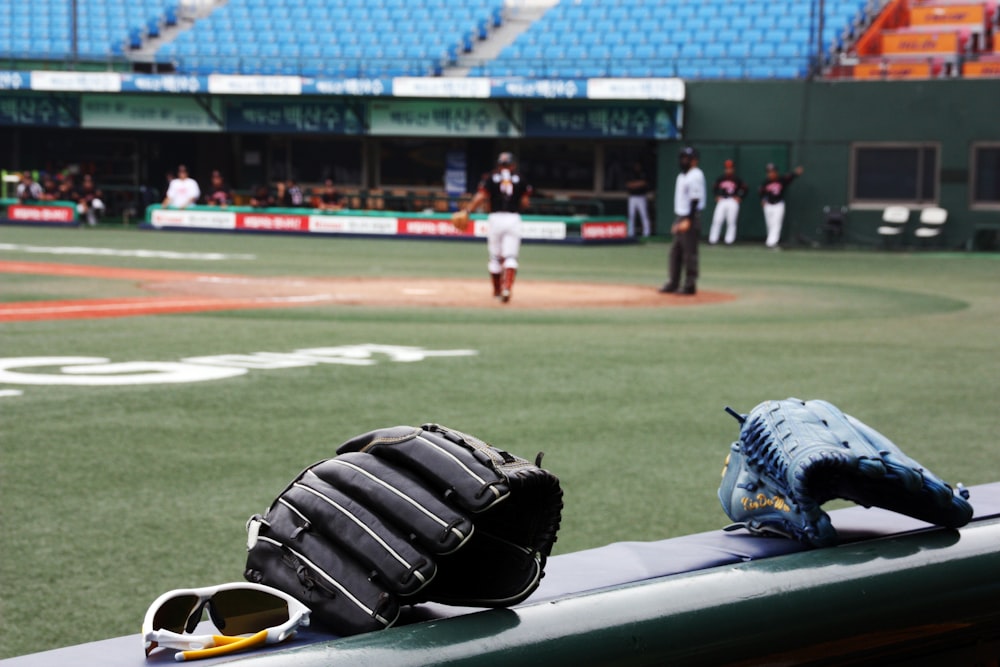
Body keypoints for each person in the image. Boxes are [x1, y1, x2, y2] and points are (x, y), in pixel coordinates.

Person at [456, 151, 532, 304]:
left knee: (495, 258)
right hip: (513, 218)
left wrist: (468, 210)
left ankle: (497, 291)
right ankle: (507, 288)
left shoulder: (490, 178)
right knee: (510, 257)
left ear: (499, 164)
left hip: (495, 218)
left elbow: (481, 196)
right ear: (513, 165)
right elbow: (525, 203)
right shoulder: (521, 179)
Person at [659, 146, 705, 296]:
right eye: (682, 158)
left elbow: (695, 200)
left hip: (691, 217)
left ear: (694, 161)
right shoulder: (682, 176)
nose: (683, 161)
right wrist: (678, 220)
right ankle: (673, 282)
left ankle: (690, 285)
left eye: (687, 158)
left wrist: (688, 220)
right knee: (675, 252)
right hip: (681, 216)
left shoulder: (695, 175)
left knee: (689, 253)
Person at [760, 163, 805, 249]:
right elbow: (761, 193)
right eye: (769, 172)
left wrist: (795, 173)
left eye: (772, 171)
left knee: (776, 224)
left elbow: (790, 177)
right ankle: (771, 241)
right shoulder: (765, 183)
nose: (771, 173)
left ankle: (771, 243)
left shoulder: (781, 180)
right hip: (768, 205)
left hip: (778, 204)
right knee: (770, 224)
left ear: (776, 172)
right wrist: (763, 200)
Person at [708, 159, 748, 245]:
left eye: (730, 168)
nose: (728, 170)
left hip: (732, 200)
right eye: (727, 168)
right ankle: (713, 240)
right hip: (722, 200)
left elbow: (745, 188)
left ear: (733, 169)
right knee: (717, 220)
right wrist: (716, 195)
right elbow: (714, 188)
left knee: (731, 221)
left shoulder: (737, 179)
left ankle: (729, 240)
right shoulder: (721, 178)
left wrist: (740, 197)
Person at [625, 161, 652, 238]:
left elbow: (644, 183)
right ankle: (631, 233)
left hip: (641, 197)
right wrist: (638, 184)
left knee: (644, 215)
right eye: (636, 165)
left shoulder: (643, 173)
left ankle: (647, 233)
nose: (637, 167)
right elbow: (628, 185)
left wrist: (635, 184)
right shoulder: (631, 174)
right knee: (631, 215)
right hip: (632, 197)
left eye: (638, 165)